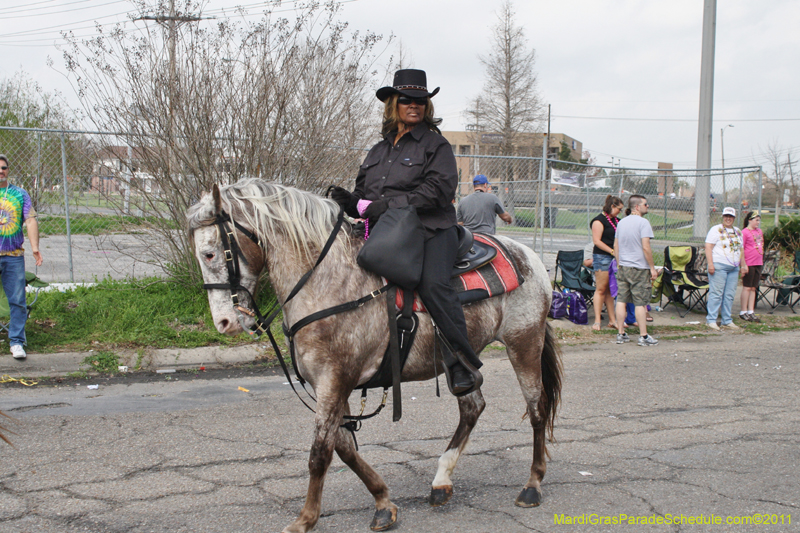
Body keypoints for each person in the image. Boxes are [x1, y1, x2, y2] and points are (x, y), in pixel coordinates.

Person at [330, 69, 482, 396]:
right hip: (385, 230)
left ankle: (461, 361)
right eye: (406, 100)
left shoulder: (436, 145)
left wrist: (386, 206)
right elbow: (365, 195)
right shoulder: (377, 151)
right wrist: (350, 202)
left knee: (433, 284)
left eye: (420, 100)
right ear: (393, 104)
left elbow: (438, 191)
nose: (414, 105)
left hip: (430, 230)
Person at [0, 155, 43, 360]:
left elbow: (31, 220)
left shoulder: (19, 194)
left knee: (17, 300)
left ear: (8, 170)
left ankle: (16, 341)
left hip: (13, 256)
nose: (1, 171)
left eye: (4, 167)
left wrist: (35, 247)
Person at [613, 195, 658, 346]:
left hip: (624, 266)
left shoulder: (621, 223)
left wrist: (619, 263)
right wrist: (652, 267)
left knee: (621, 300)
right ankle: (643, 336)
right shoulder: (643, 223)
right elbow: (646, 246)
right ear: (637, 207)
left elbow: (616, 246)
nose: (648, 206)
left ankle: (621, 333)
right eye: (646, 204)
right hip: (639, 267)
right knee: (640, 302)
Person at [705, 207, 745, 330]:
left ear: (734, 218)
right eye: (726, 216)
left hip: (733, 267)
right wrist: (710, 264)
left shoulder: (737, 231)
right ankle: (711, 319)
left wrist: (743, 265)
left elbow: (741, 249)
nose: (728, 219)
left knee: (729, 294)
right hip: (719, 265)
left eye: (731, 216)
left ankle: (726, 320)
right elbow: (708, 247)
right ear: (723, 217)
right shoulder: (716, 229)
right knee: (716, 293)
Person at [589, 195, 623, 331]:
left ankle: (612, 320)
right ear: (612, 206)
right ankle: (597, 320)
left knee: (610, 290)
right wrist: (612, 251)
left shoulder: (616, 221)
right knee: (601, 288)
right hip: (602, 257)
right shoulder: (599, 221)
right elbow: (597, 241)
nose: (620, 212)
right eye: (618, 209)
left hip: (613, 258)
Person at [739, 210, 764, 322]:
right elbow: (741, 249)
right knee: (747, 287)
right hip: (749, 263)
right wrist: (743, 265)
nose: (758, 222)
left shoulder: (759, 232)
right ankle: (743, 311)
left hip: (758, 262)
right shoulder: (745, 232)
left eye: (759, 220)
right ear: (750, 220)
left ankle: (751, 310)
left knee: (754, 288)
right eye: (756, 220)